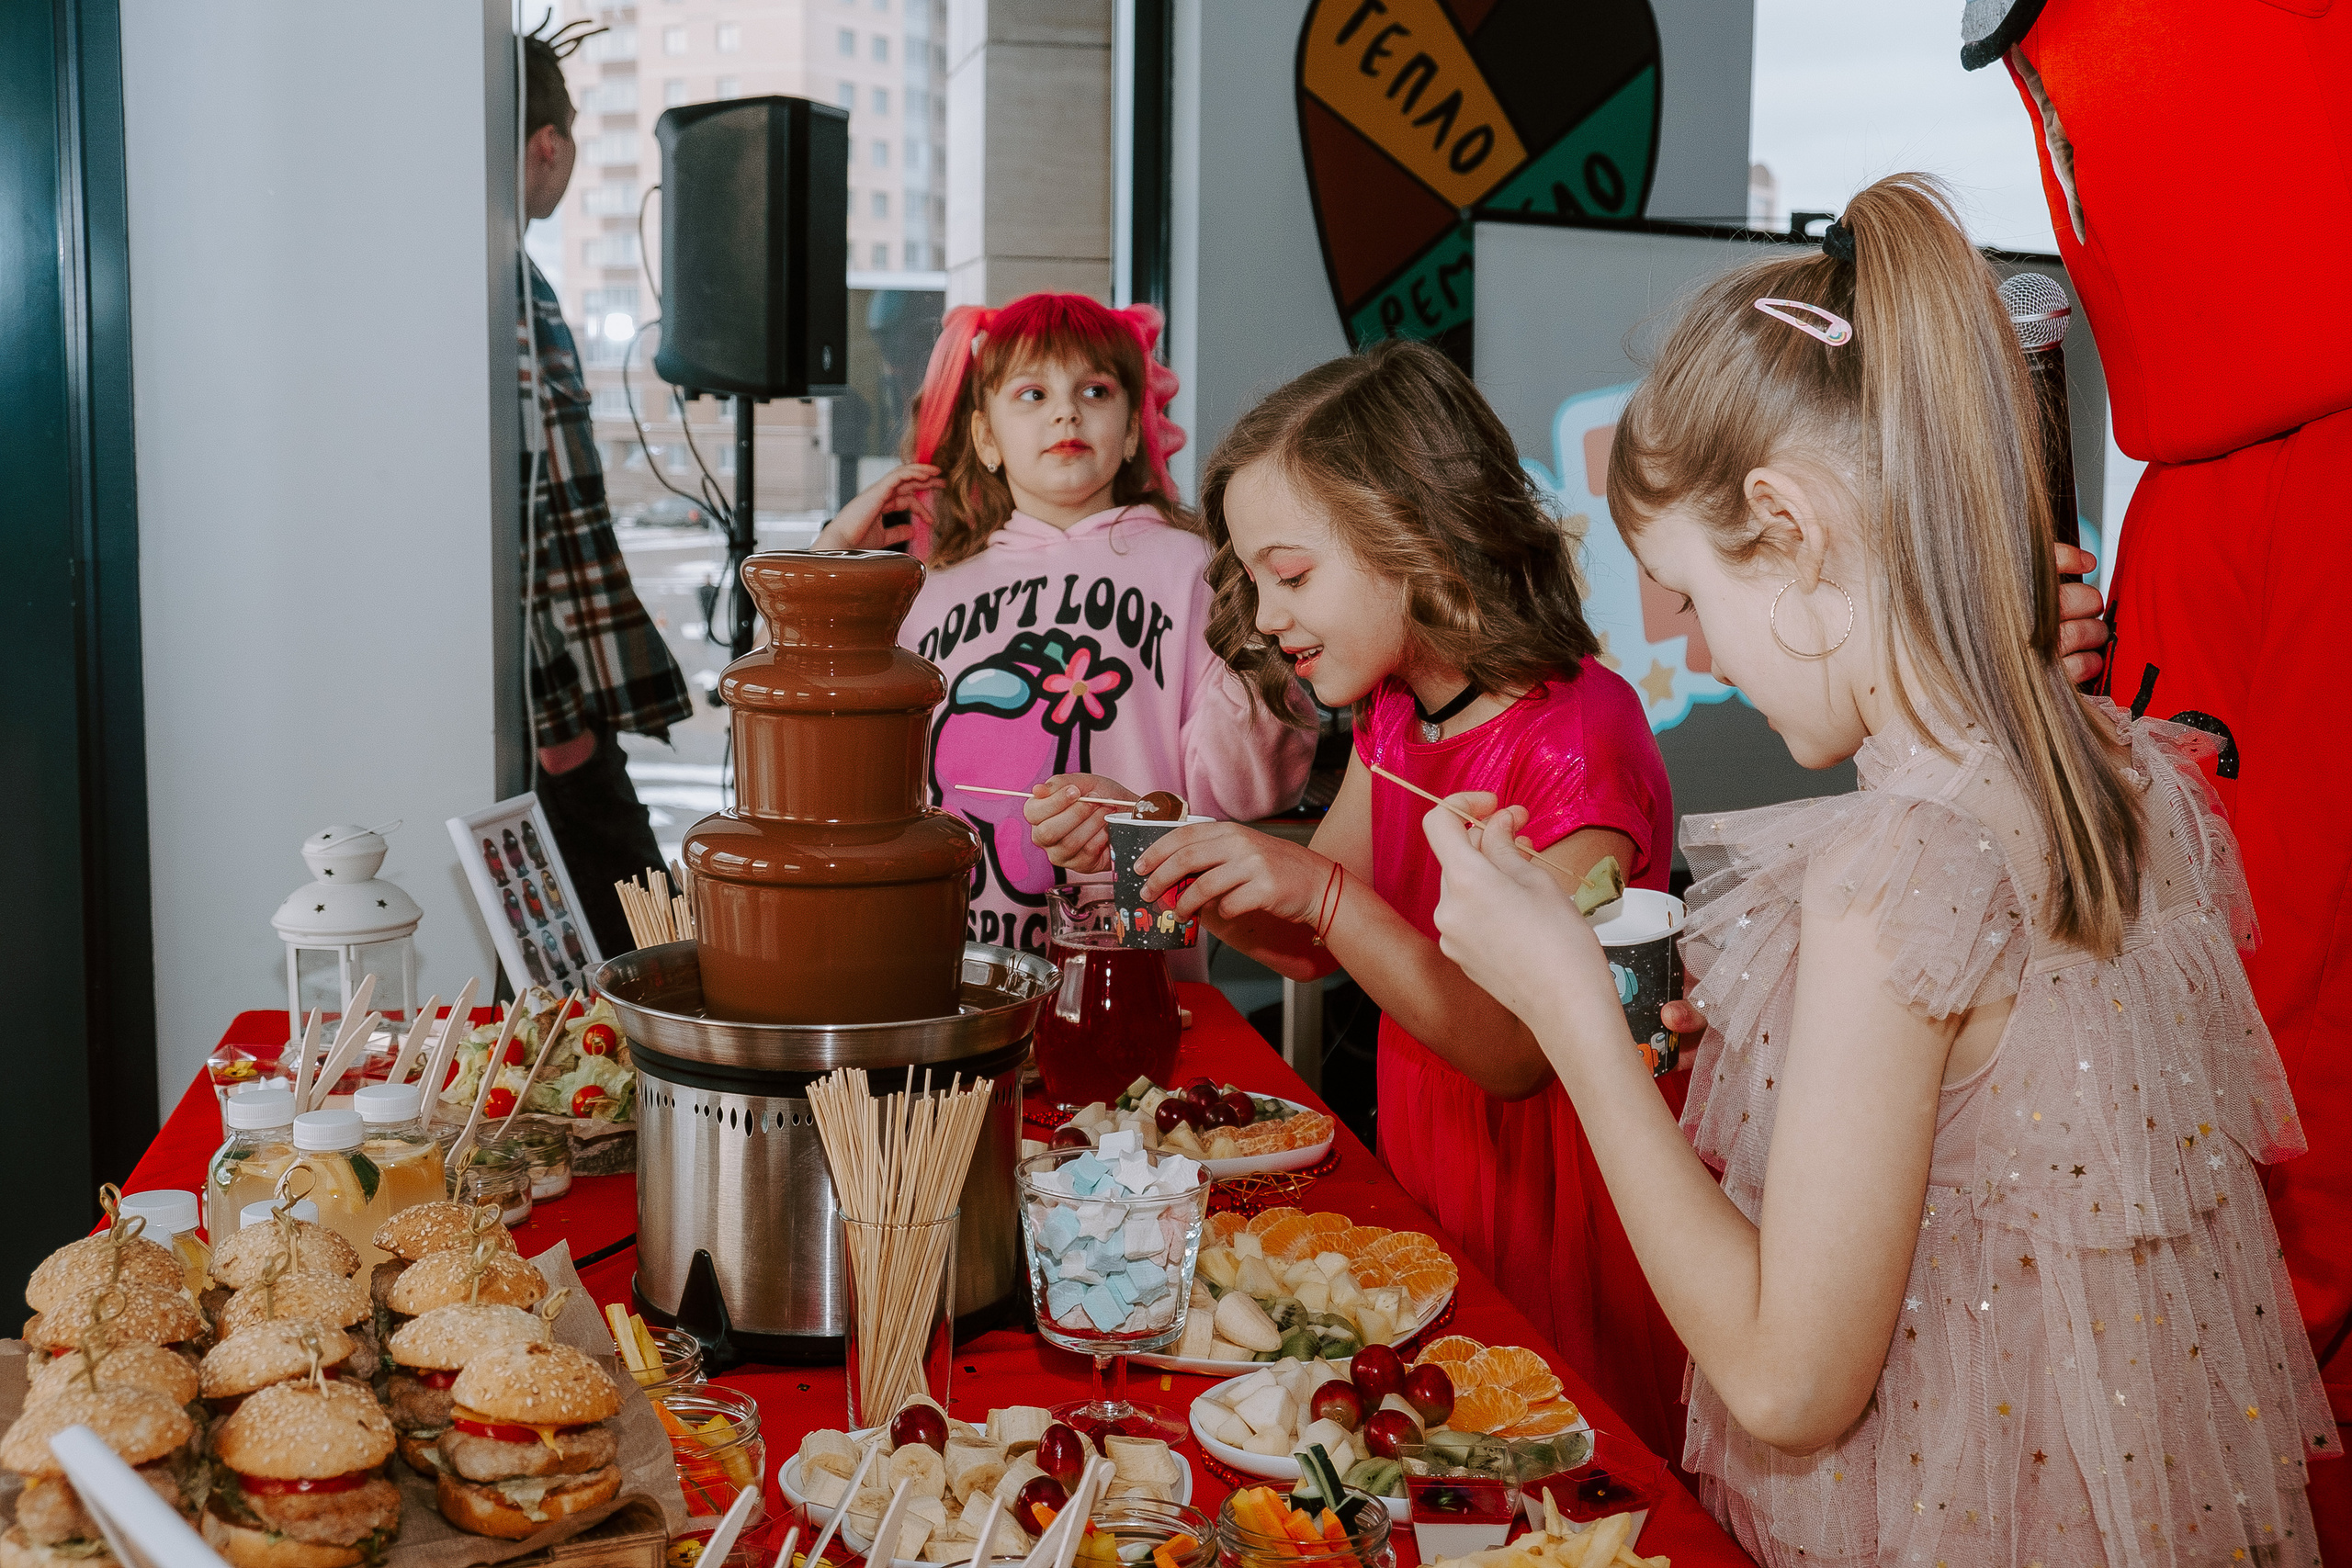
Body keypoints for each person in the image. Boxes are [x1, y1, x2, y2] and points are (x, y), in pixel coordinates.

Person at [1419, 174, 2329, 1565]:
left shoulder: (1889, 877)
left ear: (1789, 526)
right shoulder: (2129, 777)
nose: (1703, 653)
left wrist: (1567, 1015)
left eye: (1693, 594)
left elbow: (1788, 1383)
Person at [1028, 337, 1694, 1454]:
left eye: (1291, 574)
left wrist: (1325, 893)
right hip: (1442, 1175)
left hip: (1568, 1216)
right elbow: (1301, 947)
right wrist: (1160, 842)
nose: (1270, 613)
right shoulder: (1399, 711)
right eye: (1253, 580)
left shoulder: (1583, 739)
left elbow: (1514, 1052)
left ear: (1419, 538)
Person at [1960, 6, 2352, 1548]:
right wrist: (2078, 708)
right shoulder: (2199, 471)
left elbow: (2315, 980)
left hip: (2267, 1337)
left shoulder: (2314, 474)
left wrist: (2246, 1333)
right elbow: (2183, 856)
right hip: (2201, 1267)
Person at [813, 294, 1314, 964]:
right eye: (1031, 392)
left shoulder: (1195, 565)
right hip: (953, 963)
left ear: (1135, 428)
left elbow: (1250, 791)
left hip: (1140, 963)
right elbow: (821, 741)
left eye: (1095, 389)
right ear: (985, 437)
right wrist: (834, 556)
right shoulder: (924, 585)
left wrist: (1252, 623)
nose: (1065, 411)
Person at [514, 29, 691, 959]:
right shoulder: (513, 292)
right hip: (555, 719)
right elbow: (540, 529)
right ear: (551, 143)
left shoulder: (496, 282)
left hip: (548, 703)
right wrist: (558, 726)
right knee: (645, 965)